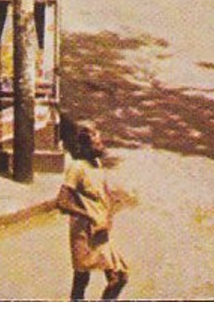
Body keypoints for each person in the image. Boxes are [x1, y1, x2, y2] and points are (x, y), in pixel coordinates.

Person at [57, 124, 129, 301]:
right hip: (84, 233)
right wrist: (86, 215)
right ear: (87, 147)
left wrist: (109, 214)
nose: (102, 146)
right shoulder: (77, 168)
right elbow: (62, 201)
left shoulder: (97, 164)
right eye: (97, 144)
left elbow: (105, 193)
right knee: (83, 278)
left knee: (119, 278)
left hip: (101, 231)